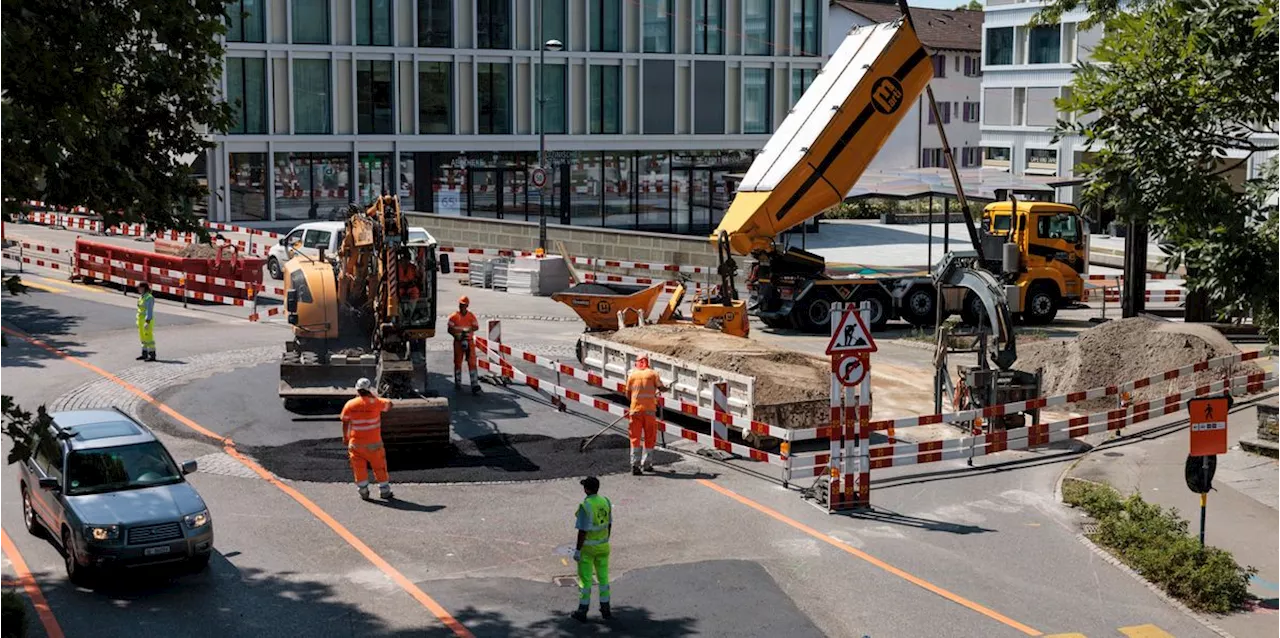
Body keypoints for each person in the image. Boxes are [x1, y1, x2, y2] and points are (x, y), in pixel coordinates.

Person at [340, 378, 394, 500]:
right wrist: (376, 396)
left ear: (357, 390)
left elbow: (345, 422)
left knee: (359, 468)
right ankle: (384, 490)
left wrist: (345, 437)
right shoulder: (376, 402)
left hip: (356, 444)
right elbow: (389, 404)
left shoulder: (350, 404)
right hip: (374, 443)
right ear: (369, 389)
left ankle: (363, 491)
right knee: (379, 466)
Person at [571, 476, 612, 623]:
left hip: (588, 548)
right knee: (603, 578)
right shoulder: (605, 501)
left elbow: (582, 531)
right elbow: (609, 524)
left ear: (586, 489)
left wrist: (577, 550)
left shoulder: (585, 506)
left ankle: (582, 610)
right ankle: (605, 608)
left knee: (585, 580)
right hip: (603, 546)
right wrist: (606, 538)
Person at [625, 355, 667, 475]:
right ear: (648, 363)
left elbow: (627, 393)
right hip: (649, 412)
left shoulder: (632, 375)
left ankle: (635, 465)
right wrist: (665, 389)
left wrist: (635, 401)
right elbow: (661, 388)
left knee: (635, 438)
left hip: (635, 411)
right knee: (650, 437)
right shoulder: (653, 374)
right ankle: (647, 464)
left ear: (637, 363)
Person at [447, 296, 481, 394]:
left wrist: (468, 330)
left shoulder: (471, 316)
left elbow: (476, 327)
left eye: (463, 305)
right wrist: (456, 335)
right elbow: (449, 329)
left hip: (469, 341)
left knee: (472, 362)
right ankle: (458, 382)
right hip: (458, 341)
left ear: (467, 305)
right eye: (460, 305)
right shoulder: (453, 316)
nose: (461, 307)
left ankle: (474, 384)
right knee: (458, 362)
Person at [397, 248, 421, 321]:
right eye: (403, 258)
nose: (405, 261)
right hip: (399, 288)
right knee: (395, 296)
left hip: (410, 287)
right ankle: (400, 315)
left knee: (415, 292)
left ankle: (410, 313)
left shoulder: (413, 267)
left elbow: (418, 277)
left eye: (407, 258)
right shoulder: (395, 266)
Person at [136, 282, 156, 361]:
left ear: (144, 288)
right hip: (140, 320)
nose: (138, 289)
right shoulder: (142, 297)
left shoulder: (149, 298)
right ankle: (144, 353)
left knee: (148, 337)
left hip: (146, 321)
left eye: (139, 288)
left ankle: (152, 354)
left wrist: (147, 322)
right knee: (142, 337)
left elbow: (149, 311)